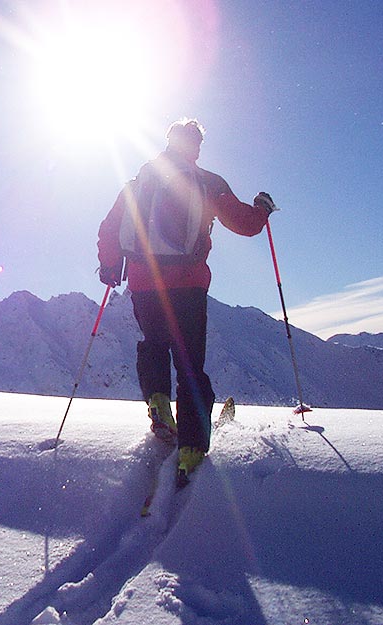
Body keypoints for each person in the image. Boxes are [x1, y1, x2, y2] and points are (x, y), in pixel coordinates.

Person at [96, 118, 277, 484]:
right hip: (188, 285)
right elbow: (243, 222)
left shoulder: (137, 183)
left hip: (145, 284)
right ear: (195, 146)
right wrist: (262, 209)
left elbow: (110, 229)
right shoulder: (206, 181)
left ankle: (159, 403)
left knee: (154, 344)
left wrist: (110, 267)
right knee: (190, 361)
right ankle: (192, 447)